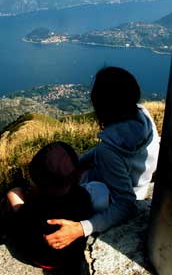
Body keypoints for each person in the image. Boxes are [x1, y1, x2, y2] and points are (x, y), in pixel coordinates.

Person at [45, 66, 160, 250]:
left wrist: (80, 228)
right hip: (140, 183)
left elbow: (126, 205)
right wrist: (79, 163)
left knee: (57, 178)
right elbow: (107, 151)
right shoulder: (143, 115)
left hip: (113, 196)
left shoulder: (110, 150)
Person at [6, 142, 93, 270]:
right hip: (72, 256)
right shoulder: (82, 196)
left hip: (42, 259)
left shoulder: (35, 204)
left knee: (14, 192)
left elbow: (22, 220)